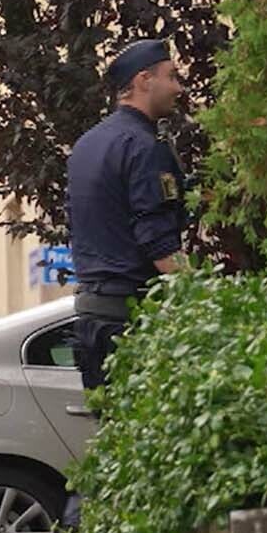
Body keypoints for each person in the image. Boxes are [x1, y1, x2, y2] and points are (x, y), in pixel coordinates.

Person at [65, 38, 190, 391]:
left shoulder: (86, 145)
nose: (178, 88)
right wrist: (206, 297)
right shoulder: (144, 147)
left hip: (91, 320)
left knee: (112, 437)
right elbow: (159, 243)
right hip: (132, 322)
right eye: (172, 77)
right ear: (144, 80)